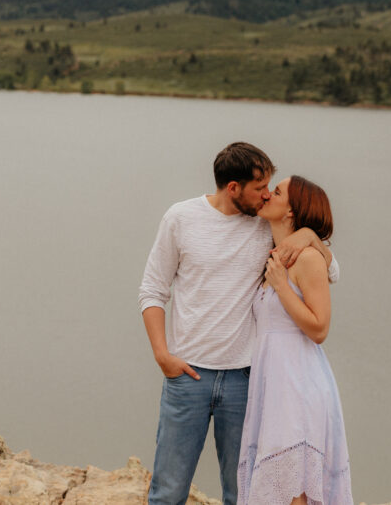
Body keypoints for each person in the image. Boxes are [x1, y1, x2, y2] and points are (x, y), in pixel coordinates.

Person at [139, 142, 338, 505]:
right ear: (233, 188)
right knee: (167, 492)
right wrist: (162, 356)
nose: (265, 195)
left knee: (243, 493)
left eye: (270, 187)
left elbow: (331, 269)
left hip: (245, 381)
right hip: (187, 377)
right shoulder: (180, 218)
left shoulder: (266, 226)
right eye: (260, 186)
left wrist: (308, 235)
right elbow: (152, 290)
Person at [236, 175, 352, 505]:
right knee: (275, 488)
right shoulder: (276, 255)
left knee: (295, 491)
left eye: (276, 193)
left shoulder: (308, 259)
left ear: (291, 210)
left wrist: (283, 288)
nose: (266, 196)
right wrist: (307, 236)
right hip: (272, 387)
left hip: (299, 386)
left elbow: (319, 329)